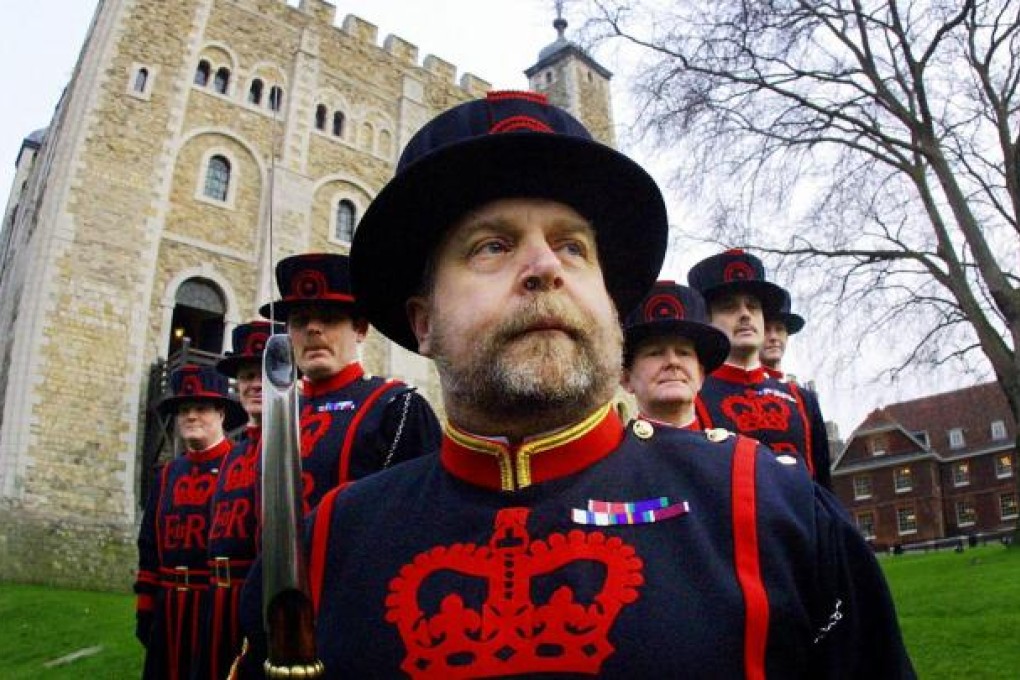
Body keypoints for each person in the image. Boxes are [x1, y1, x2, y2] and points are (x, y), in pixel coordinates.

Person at [234, 91, 914, 678]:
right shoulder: (323, 553)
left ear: (611, 305)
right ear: (423, 323)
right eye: (491, 246)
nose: (543, 267)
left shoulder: (775, 515)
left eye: (573, 247)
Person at [259, 252, 441, 512]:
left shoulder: (396, 407)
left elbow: (425, 507)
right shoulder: (279, 414)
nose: (313, 329)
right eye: (300, 321)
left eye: (330, 318)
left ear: (360, 329)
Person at [135, 364, 247, 680]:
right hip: (169, 606)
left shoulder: (241, 465)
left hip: (217, 606)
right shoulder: (168, 474)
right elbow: (149, 544)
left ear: (222, 414)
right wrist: (146, 605)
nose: (191, 416)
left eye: (201, 408)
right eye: (184, 409)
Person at [689, 250, 833, 489]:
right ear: (707, 320)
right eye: (729, 307)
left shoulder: (802, 400)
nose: (745, 314)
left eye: (753, 307)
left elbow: (824, 490)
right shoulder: (693, 398)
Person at [193, 320, 282, 679]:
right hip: (218, 602)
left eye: (263, 373)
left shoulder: (293, 444)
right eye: (247, 376)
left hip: (261, 602)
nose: (255, 384)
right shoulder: (234, 453)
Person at [620, 280, 729, 430]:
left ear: (701, 376)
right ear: (626, 379)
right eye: (655, 353)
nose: (673, 361)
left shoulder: (741, 452)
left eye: (683, 353)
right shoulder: (614, 454)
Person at [760, 288, 805, 379]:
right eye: (765, 330)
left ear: (787, 336)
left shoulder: (798, 392)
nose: (773, 337)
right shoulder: (735, 388)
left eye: (779, 329)